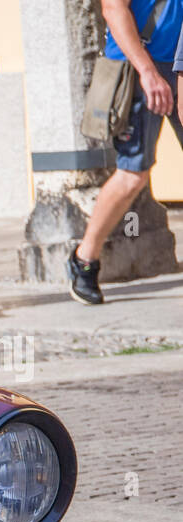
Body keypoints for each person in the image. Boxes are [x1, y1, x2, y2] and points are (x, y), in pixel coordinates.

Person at [69, 0, 183, 305]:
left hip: (180, 64)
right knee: (132, 174)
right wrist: (147, 72)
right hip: (138, 68)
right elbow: (113, 8)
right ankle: (84, 260)